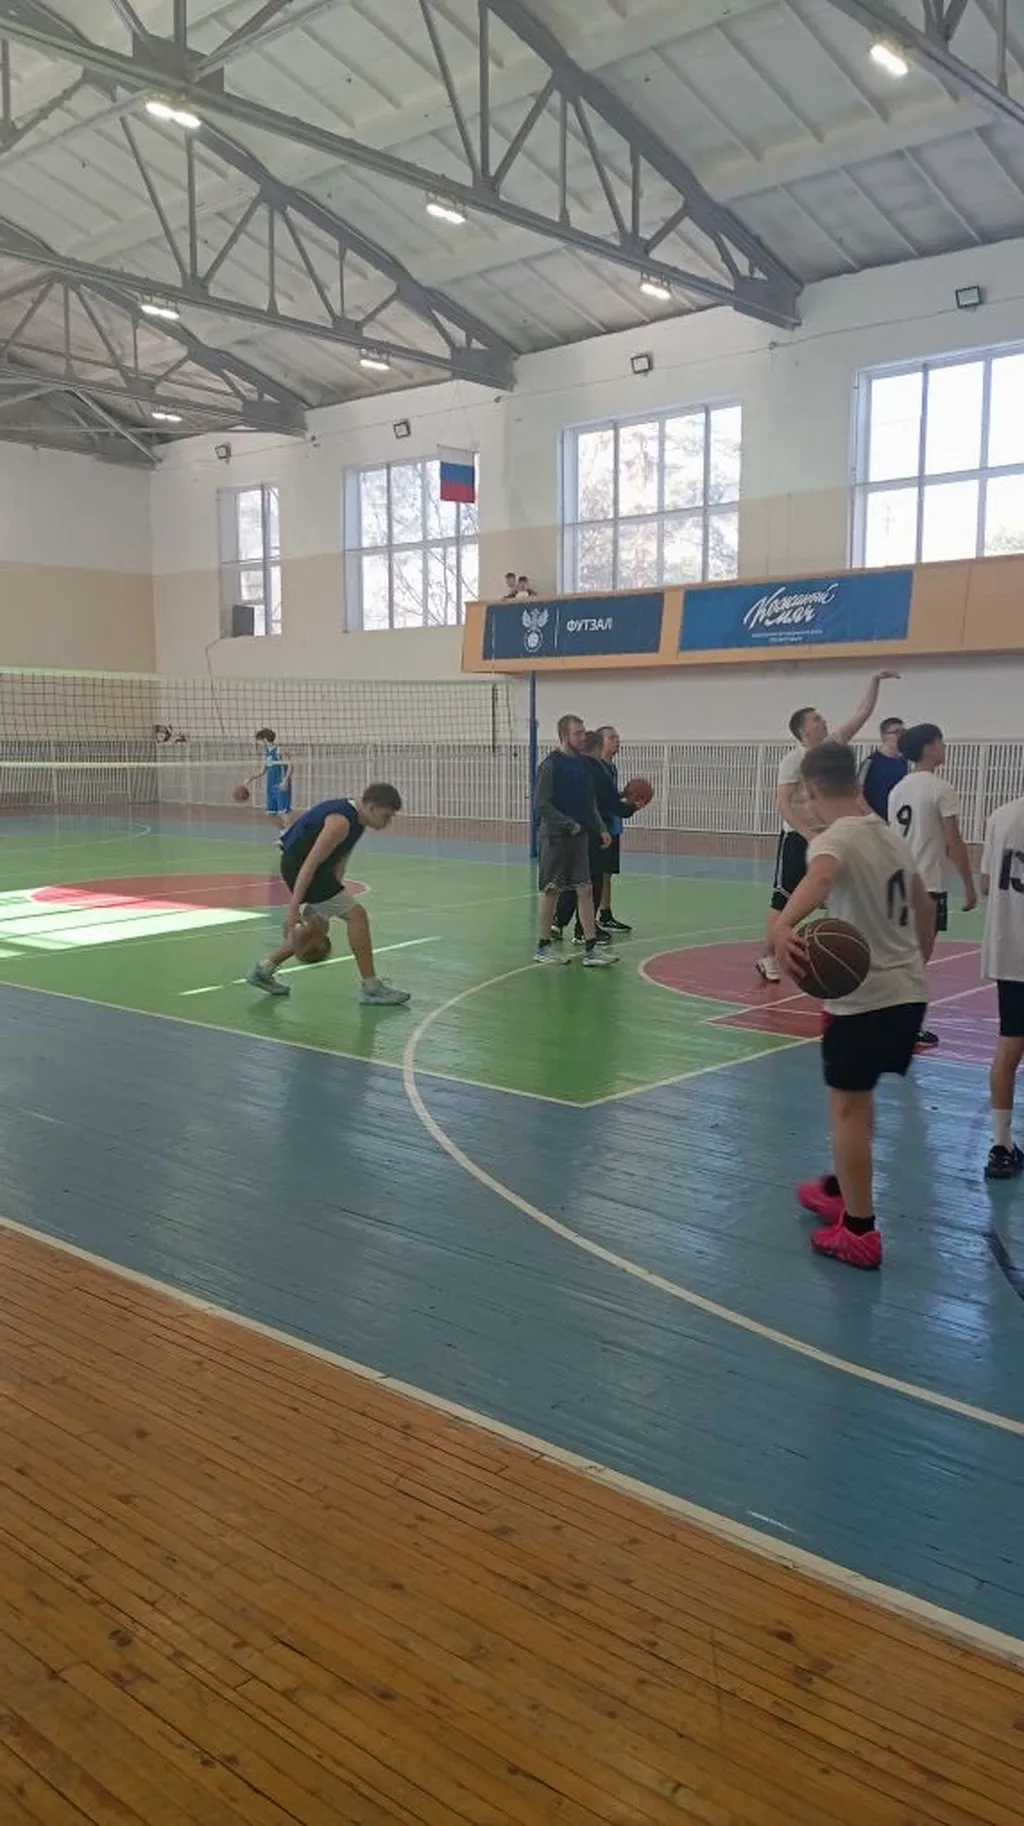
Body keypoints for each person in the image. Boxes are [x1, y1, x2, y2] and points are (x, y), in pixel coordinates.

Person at [774, 741, 930, 1271]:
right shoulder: (888, 834)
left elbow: (819, 878)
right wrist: (913, 964)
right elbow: (923, 903)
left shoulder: (834, 838)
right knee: (859, 1101)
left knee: (846, 1106)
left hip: (865, 999)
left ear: (811, 790)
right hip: (908, 991)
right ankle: (842, 1187)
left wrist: (782, 925)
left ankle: (859, 1230)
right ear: (857, 784)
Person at [757, 670, 900, 983]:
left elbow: (862, 712)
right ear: (803, 731)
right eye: (816, 719)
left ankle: (842, 952)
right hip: (798, 838)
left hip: (830, 836)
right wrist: (807, 832)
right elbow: (783, 803)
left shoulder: (833, 747)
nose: (823, 721)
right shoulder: (793, 760)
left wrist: (874, 680)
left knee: (836, 894)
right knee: (784, 898)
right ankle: (768, 954)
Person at [247, 784, 410, 1005]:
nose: (387, 823)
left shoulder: (358, 821)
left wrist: (335, 888)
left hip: (315, 872)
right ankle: (371, 987)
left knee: (316, 926)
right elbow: (309, 864)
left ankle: (263, 971)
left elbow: (340, 859)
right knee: (357, 916)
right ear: (371, 807)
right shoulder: (339, 823)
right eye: (386, 816)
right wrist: (293, 908)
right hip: (302, 869)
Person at [887, 723, 976, 1049]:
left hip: (898, 883)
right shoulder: (940, 788)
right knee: (917, 959)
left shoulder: (898, 789)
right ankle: (903, 1026)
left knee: (902, 956)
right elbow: (954, 841)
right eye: (940, 741)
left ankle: (896, 1021)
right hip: (927, 885)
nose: (944, 747)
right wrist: (969, 886)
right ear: (928, 747)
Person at [535, 716, 617, 969]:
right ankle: (543, 946)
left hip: (579, 838)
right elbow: (542, 804)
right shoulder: (550, 766)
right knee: (551, 890)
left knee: (585, 889)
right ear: (564, 736)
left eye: (583, 732)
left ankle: (591, 948)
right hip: (555, 837)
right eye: (577, 733)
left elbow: (589, 802)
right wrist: (568, 823)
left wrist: (601, 828)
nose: (583, 737)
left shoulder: (583, 764)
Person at [551, 730, 633, 943]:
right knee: (591, 883)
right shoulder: (594, 770)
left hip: (579, 831)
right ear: (599, 746)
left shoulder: (576, 768)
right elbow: (609, 803)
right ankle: (582, 930)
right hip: (592, 833)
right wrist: (633, 806)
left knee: (578, 882)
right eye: (611, 738)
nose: (617, 741)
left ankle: (561, 924)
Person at [980, 794, 1024, 1180]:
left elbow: (987, 882)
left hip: (1010, 949)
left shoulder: (1000, 816)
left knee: (1009, 1045)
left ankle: (1001, 1144)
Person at [860, 717, 907, 818]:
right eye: (896, 732)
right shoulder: (869, 763)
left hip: (896, 819)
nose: (901, 736)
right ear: (883, 736)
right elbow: (857, 794)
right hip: (874, 819)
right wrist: (873, 817)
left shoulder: (904, 762)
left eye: (903, 732)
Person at [248, 727, 293, 828]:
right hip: (270, 786)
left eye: (260, 740)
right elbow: (262, 770)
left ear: (264, 739)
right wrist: (251, 778)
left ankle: (291, 834)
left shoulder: (280, 750)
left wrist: (285, 780)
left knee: (284, 813)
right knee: (271, 814)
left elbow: (291, 766)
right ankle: (283, 833)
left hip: (281, 785)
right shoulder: (266, 753)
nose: (259, 743)